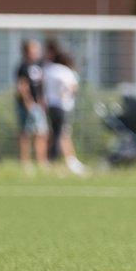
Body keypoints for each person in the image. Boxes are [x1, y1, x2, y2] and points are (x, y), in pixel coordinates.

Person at [43, 47, 87, 175]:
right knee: (59, 134)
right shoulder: (65, 71)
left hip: (50, 105)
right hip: (61, 106)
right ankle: (52, 161)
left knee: (60, 133)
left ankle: (69, 160)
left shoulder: (50, 69)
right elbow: (71, 86)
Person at [15, 39, 49, 171]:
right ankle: (25, 164)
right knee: (25, 133)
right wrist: (27, 101)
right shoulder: (23, 66)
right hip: (27, 105)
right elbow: (21, 85)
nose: (35, 52)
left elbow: (40, 86)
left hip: (39, 105)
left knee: (41, 133)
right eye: (32, 49)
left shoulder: (39, 65)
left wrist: (42, 100)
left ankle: (42, 162)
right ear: (26, 51)